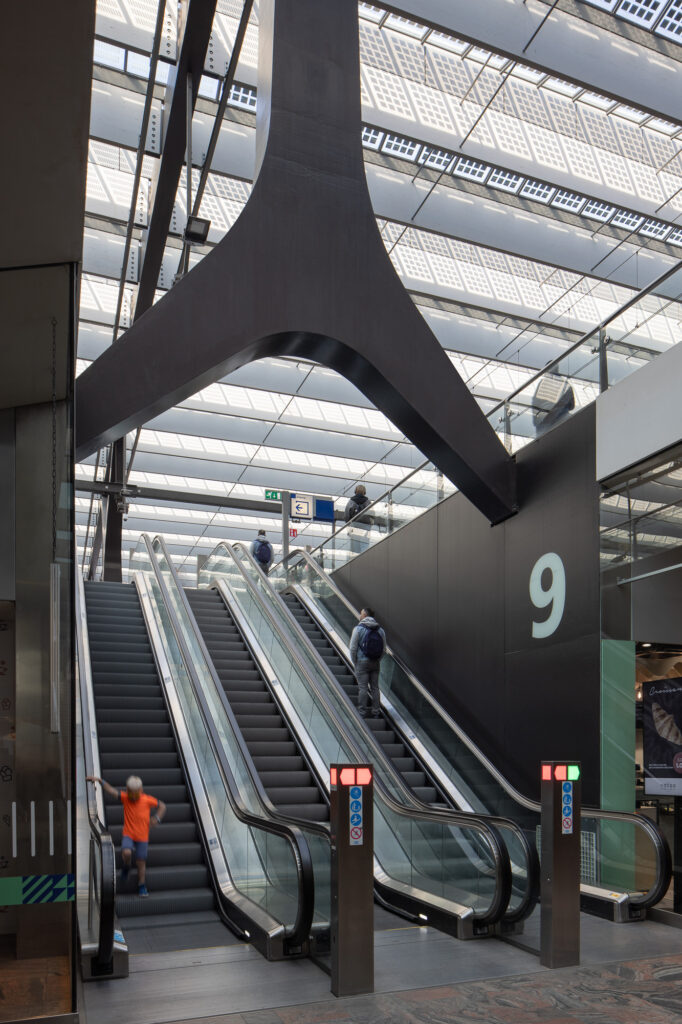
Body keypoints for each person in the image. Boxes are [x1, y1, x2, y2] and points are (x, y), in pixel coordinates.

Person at [87, 774, 166, 897]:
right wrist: (99, 781)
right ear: (127, 791)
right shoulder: (125, 798)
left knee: (141, 862)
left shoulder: (147, 800)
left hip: (142, 837)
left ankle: (142, 885)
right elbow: (112, 791)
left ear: (141, 791)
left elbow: (162, 806)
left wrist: (157, 818)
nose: (133, 797)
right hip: (128, 834)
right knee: (127, 852)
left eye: (136, 794)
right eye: (131, 794)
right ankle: (127, 865)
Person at [349, 607, 386, 719]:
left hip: (361, 662)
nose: (360, 616)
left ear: (365, 615)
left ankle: (362, 712)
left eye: (361, 614)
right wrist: (377, 660)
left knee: (363, 688)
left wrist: (355, 661)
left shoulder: (358, 629)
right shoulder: (380, 630)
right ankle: (376, 712)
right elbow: (384, 650)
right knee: (375, 687)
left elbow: (353, 648)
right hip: (375, 663)